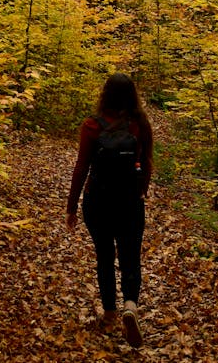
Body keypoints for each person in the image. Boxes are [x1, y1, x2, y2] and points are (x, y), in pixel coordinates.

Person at [66, 72, 153, 348]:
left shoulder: (92, 126)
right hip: (129, 202)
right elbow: (147, 163)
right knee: (130, 255)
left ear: (105, 94)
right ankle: (130, 304)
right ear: (132, 95)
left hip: (98, 203)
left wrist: (71, 206)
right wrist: (141, 191)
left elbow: (81, 168)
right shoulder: (140, 124)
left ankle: (110, 314)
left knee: (104, 256)